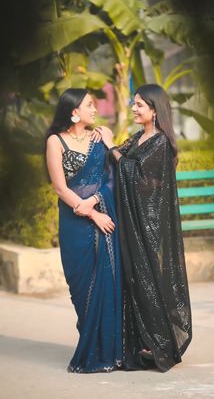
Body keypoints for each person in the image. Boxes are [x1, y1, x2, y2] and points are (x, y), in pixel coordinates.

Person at [96, 84, 192, 372]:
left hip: (149, 225)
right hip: (134, 221)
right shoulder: (140, 137)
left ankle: (160, 343)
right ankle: (144, 341)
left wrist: (112, 146)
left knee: (149, 279)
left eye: (139, 105)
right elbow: (117, 160)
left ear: (155, 109)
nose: (134, 109)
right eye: (133, 103)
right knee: (136, 279)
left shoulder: (160, 141)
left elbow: (134, 174)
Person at [46, 88, 122, 373]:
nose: (95, 108)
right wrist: (89, 212)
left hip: (101, 215)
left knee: (107, 282)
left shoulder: (99, 138)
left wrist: (94, 203)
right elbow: (59, 187)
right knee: (80, 287)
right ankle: (93, 343)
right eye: (89, 104)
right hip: (75, 222)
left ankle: (107, 351)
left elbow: (111, 177)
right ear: (74, 111)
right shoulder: (56, 141)